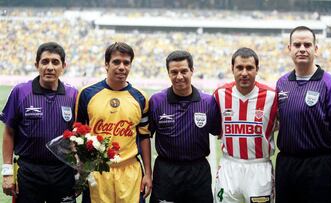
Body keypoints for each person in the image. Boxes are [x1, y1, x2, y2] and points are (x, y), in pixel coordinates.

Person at [276, 26, 331, 203]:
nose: (302, 49)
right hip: (286, 166)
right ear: (289, 49)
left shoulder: (330, 84)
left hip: (319, 167)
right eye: (297, 45)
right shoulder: (281, 83)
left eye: (307, 44)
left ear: (316, 49)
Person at [1, 42, 77, 203]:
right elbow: (9, 133)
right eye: (45, 61)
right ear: (37, 65)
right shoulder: (20, 92)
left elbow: (80, 136)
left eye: (55, 62)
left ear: (63, 66)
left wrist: (79, 172)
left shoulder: (73, 94)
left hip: (63, 172)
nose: (50, 67)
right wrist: (7, 171)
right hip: (29, 172)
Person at [76, 42, 152, 203]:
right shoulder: (87, 94)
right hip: (97, 172)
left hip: (130, 172)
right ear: (106, 64)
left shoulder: (140, 98)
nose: (121, 67)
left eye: (126, 63)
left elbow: (145, 137)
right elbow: (78, 134)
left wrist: (148, 173)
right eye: (116, 62)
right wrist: (80, 170)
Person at [149, 50, 221, 203]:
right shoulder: (156, 101)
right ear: (168, 73)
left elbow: (220, 132)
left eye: (184, 71)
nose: (179, 76)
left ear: (192, 71)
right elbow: (144, 135)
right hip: (166, 172)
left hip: (198, 172)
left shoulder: (208, 102)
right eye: (174, 72)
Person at [213, 47, 278, 203]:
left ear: (257, 69)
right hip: (229, 166)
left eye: (249, 68)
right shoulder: (220, 94)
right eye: (239, 68)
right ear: (232, 69)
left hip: (259, 168)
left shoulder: (271, 96)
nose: (244, 73)